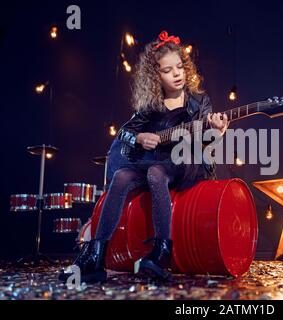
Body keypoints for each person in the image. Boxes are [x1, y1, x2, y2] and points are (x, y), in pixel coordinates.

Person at [59, 30, 229, 283]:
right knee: (121, 176)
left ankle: (161, 252)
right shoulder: (152, 107)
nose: (177, 74)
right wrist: (139, 138)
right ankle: (95, 254)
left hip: (185, 163)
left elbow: (206, 143)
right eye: (168, 70)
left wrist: (217, 132)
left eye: (180, 67)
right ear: (155, 76)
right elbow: (124, 134)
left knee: (155, 172)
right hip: (154, 160)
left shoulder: (199, 101)